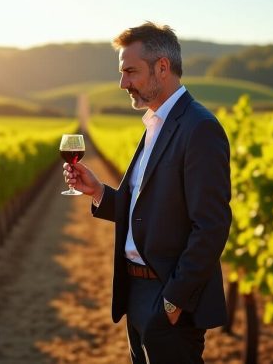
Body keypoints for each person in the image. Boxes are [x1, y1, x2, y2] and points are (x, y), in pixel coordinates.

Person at [63, 22, 232, 363]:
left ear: (163, 68)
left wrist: (172, 301)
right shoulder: (157, 123)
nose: (123, 82)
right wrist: (98, 192)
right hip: (138, 292)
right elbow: (149, 210)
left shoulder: (199, 128)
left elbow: (212, 226)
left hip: (167, 298)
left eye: (130, 71)